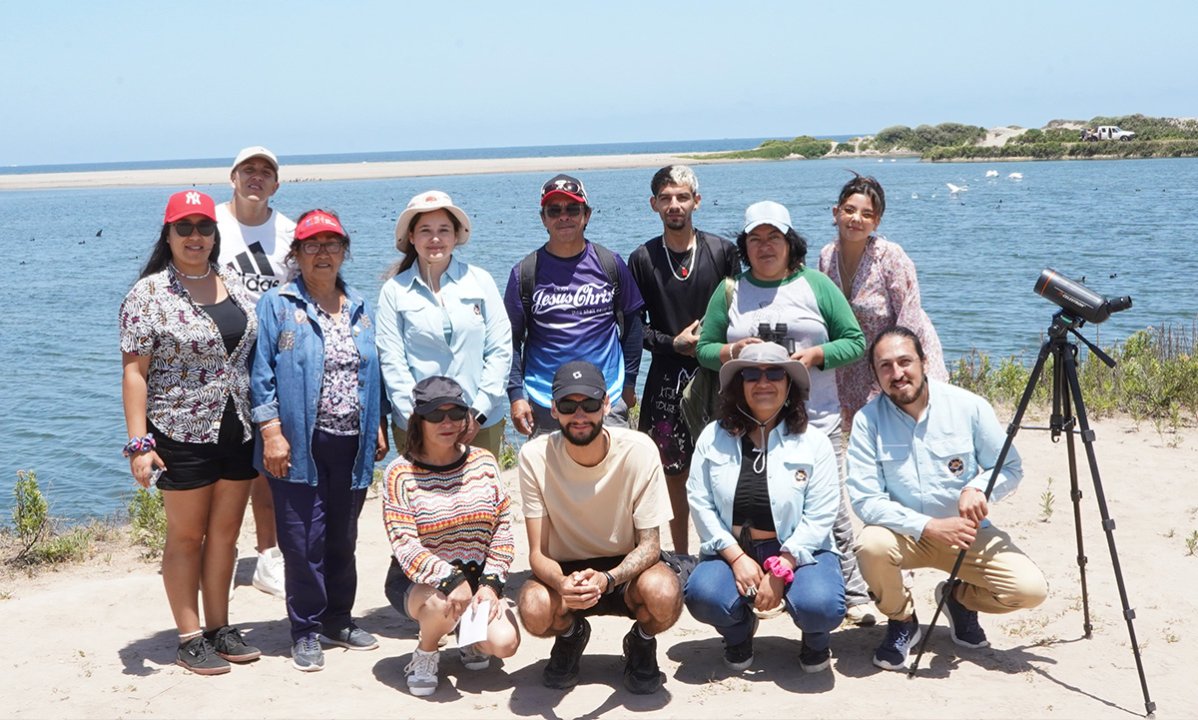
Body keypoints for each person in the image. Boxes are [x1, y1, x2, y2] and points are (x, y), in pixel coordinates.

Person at [694, 200, 878, 625]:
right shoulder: (730, 290)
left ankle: (851, 593)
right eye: (754, 239)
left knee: (831, 514)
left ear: (789, 241)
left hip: (814, 419)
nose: (764, 247)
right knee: (753, 506)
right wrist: (729, 351)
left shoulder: (815, 284)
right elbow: (705, 348)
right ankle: (751, 587)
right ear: (744, 245)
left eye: (773, 237)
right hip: (747, 421)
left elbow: (854, 341)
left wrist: (815, 355)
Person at [846, 326, 1048, 671]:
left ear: (924, 361)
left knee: (1030, 590)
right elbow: (865, 500)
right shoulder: (867, 421)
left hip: (967, 533)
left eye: (905, 361)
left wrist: (979, 487)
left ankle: (957, 599)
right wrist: (928, 526)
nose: (897, 374)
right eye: (885, 366)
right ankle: (902, 622)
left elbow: (1010, 467)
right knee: (870, 544)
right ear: (875, 374)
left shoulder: (968, 406)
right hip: (904, 534)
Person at [119, 190, 261, 675]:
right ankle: (188, 636)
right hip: (178, 431)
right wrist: (139, 444)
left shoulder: (237, 284)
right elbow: (135, 373)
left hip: (237, 429)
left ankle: (220, 628)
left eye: (204, 227)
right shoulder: (149, 294)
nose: (195, 237)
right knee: (185, 537)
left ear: (215, 235)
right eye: (185, 228)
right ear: (168, 235)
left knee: (224, 535)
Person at [250, 209, 388, 672]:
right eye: (312, 245)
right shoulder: (278, 304)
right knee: (301, 538)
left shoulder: (361, 307)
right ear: (297, 254)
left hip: (352, 442)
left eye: (332, 244)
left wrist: (380, 424)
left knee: (342, 536)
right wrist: (271, 431)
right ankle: (305, 629)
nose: (323, 253)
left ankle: (338, 618)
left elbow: (374, 373)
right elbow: (261, 374)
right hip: (297, 444)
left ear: (345, 251)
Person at [517, 361, 682, 694]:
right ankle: (570, 636)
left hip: (626, 566)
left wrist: (609, 579)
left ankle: (641, 641)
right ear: (553, 409)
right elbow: (537, 553)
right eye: (568, 405)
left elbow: (651, 545)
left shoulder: (639, 450)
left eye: (590, 404)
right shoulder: (533, 456)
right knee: (533, 609)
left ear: (606, 404)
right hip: (566, 571)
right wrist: (563, 584)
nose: (580, 415)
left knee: (665, 594)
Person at [685, 343, 844, 673]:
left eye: (774, 373)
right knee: (702, 595)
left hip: (799, 550)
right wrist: (736, 556)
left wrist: (783, 565)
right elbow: (700, 503)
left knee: (821, 605)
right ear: (738, 385)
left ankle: (816, 641)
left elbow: (821, 514)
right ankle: (739, 633)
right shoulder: (712, 437)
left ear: (789, 385)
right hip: (734, 549)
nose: (763, 382)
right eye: (751, 374)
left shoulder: (814, 442)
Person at [381, 376, 520, 697]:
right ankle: (426, 652)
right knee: (441, 604)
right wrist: (450, 579)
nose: (447, 422)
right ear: (418, 420)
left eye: (456, 414)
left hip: (477, 580)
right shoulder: (400, 473)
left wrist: (491, 585)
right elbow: (405, 545)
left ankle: (469, 638)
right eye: (435, 415)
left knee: (504, 643)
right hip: (417, 583)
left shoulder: (483, 462)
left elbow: (502, 529)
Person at [628, 165, 738, 556]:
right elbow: (632, 328)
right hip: (665, 377)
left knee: (727, 465)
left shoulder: (723, 251)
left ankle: (727, 550)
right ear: (654, 204)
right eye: (666, 198)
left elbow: (739, 311)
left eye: (682, 196)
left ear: (696, 201)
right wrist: (672, 342)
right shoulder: (642, 259)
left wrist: (711, 341)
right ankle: (681, 554)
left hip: (717, 374)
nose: (675, 205)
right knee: (673, 471)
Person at [504, 174, 645, 438]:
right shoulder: (524, 273)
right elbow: (509, 340)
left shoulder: (610, 264)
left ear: (587, 214)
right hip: (546, 401)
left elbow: (633, 327)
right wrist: (515, 395)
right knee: (551, 479)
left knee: (612, 477)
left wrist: (629, 383)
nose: (564, 216)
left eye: (572, 209)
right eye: (554, 210)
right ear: (543, 218)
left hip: (606, 400)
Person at [216, 145, 296, 599]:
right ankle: (218, 554)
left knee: (271, 460)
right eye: (248, 170)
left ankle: (269, 556)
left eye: (265, 172)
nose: (256, 178)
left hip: (271, 356)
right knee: (221, 462)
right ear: (233, 177)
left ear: (276, 184)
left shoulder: (286, 231)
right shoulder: (211, 222)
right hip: (219, 356)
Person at [376, 190, 512, 458]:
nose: (435, 238)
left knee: (479, 498)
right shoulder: (394, 291)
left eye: (444, 230)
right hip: (417, 426)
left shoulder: (480, 281)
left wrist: (478, 412)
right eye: (425, 230)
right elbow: (392, 361)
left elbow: (500, 349)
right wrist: (419, 419)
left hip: (479, 423)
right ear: (411, 237)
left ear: (456, 236)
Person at [818, 173, 948, 432]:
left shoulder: (890, 257)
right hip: (854, 360)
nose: (857, 219)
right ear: (836, 212)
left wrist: (898, 364)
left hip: (898, 354)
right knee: (864, 436)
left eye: (867, 214)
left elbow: (908, 316)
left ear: (876, 222)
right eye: (849, 210)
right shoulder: (826, 256)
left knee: (911, 428)